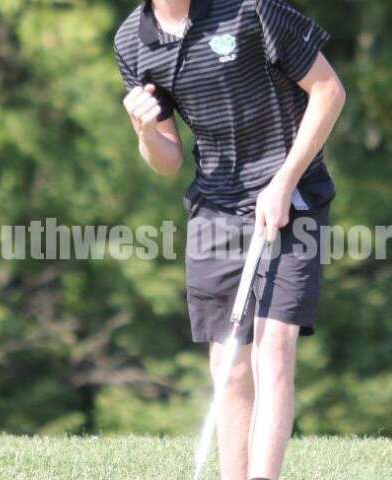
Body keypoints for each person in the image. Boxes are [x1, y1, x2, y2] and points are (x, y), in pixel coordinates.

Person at [113, 1, 345, 478]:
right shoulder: (132, 42)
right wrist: (142, 130)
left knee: (273, 345)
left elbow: (329, 92)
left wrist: (283, 182)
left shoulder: (252, 10)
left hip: (293, 194)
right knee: (229, 366)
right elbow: (168, 160)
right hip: (216, 208)